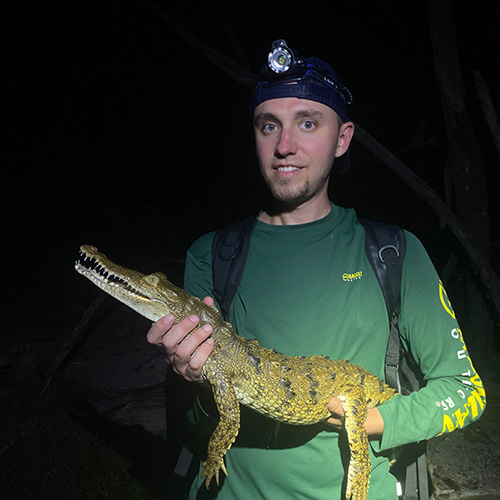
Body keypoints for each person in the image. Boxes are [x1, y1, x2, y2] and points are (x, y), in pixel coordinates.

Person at [147, 39, 486, 499]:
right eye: (269, 125)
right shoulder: (212, 255)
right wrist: (190, 379)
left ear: (343, 138)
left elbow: (467, 391)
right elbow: (193, 421)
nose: (284, 145)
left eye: (308, 122)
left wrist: (374, 421)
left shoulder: (395, 253)